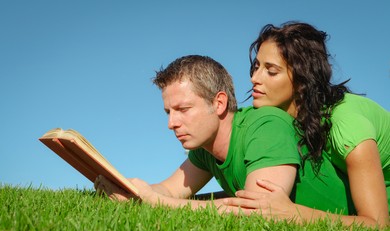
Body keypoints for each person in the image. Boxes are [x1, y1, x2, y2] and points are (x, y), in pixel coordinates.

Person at [95, 54, 351, 213]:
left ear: (219, 103)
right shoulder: (204, 149)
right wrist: (129, 192)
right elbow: (169, 191)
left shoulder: (265, 125)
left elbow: (257, 212)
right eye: (168, 112)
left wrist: (156, 201)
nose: (171, 123)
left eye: (183, 109)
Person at [224, 22, 389, 228]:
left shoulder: (348, 128)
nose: (254, 79)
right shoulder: (288, 121)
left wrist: (294, 213)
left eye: (271, 71)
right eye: (256, 67)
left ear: (302, 80)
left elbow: (378, 225)